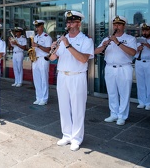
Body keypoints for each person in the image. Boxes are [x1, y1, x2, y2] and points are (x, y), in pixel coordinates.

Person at [49, 10, 94, 151]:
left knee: (77, 108)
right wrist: (53, 50)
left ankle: (76, 138)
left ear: (79, 23)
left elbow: (83, 59)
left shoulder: (86, 40)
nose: (69, 24)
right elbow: (51, 59)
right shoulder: (62, 39)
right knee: (64, 107)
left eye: (72, 22)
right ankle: (66, 134)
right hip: (62, 75)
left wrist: (68, 45)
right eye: (68, 22)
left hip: (77, 76)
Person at [94, 15, 136, 126]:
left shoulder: (130, 39)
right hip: (109, 68)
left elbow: (132, 53)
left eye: (119, 24)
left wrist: (117, 42)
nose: (116, 26)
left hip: (124, 68)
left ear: (124, 26)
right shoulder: (107, 38)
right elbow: (95, 51)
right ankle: (113, 114)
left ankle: (122, 116)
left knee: (124, 93)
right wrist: (103, 46)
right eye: (115, 24)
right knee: (112, 92)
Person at [134, 23, 150, 111]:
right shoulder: (138, 40)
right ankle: (142, 101)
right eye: (143, 30)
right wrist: (138, 49)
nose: (144, 32)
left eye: (146, 30)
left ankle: (149, 102)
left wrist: (149, 46)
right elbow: (132, 52)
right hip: (139, 62)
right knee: (140, 83)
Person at [31, 20, 52, 105]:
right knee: (36, 80)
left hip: (43, 59)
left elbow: (48, 49)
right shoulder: (35, 37)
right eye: (36, 27)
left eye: (38, 26)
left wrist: (38, 45)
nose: (37, 28)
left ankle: (44, 98)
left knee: (44, 79)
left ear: (42, 27)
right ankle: (38, 97)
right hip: (35, 59)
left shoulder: (47, 37)